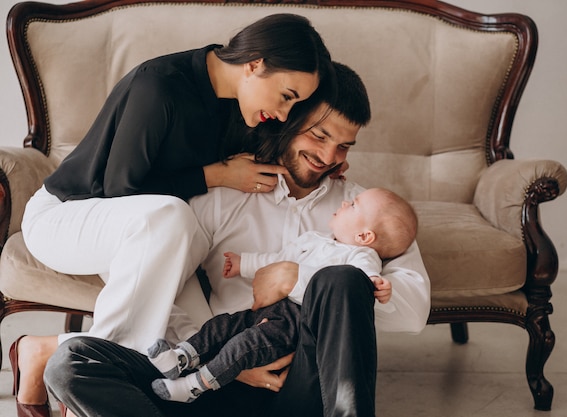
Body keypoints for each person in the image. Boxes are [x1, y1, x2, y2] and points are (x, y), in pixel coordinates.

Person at [43, 62, 431, 417]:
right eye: (320, 136)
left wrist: (298, 279)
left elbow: (413, 311)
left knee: (342, 279)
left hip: (303, 384)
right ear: (287, 119)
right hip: (211, 379)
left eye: (344, 146)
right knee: (72, 362)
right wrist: (229, 361)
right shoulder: (228, 192)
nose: (329, 156)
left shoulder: (365, 210)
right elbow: (163, 284)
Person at [10, 13, 333, 417]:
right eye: (286, 96)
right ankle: (85, 377)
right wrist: (215, 175)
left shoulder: (241, 110)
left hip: (160, 235)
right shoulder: (159, 85)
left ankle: (45, 352)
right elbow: (118, 191)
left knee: (203, 341)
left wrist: (321, 164)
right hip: (68, 217)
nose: (285, 113)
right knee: (173, 217)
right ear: (255, 65)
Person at [147, 187, 418, 403]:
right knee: (222, 326)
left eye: (354, 205)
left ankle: (194, 385)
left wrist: (374, 284)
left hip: (293, 321)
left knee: (245, 345)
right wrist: (246, 263)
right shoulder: (314, 239)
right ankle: (182, 356)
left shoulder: (360, 255)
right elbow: (277, 259)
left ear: (365, 235)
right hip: (264, 312)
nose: (346, 203)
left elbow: (357, 283)